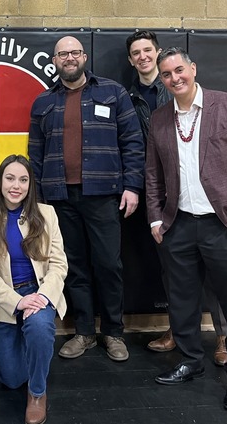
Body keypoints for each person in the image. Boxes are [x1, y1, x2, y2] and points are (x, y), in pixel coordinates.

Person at [146, 46, 227, 411]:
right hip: (177, 223)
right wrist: (154, 217)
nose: (174, 79)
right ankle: (189, 361)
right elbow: (152, 173)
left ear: (193, 68)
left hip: (224, 222)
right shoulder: (159, 118)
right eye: (166, 75)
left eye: (179, 70)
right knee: (181, 300)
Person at [28, 36, 144, 362]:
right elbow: (34, 155)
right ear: (55, 60)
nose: (69, 58)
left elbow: (133, 143)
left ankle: (114, 333)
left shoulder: (112, 92)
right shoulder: (43, 102)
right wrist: (35, 199)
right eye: (63, 54)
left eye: (74, 52)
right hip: (59, 198)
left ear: (84, 56)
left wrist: (132, 186)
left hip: (104, 195)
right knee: (74, 268)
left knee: (108, 265)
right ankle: (84, 333)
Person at [125, 30, 227, 365]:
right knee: (175, 273)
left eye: (148, 50)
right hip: (161, 195)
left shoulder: (178, 91)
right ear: (130, 60)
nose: (143, 56)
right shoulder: (127, 96)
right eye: (136, 52)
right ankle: (179, 330)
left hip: (202, 198)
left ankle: (224, 337)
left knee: (214, 274)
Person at [0, 154, 68, 424]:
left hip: (38, 293)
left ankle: (37, 393)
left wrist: (42, 297)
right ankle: (33, 351)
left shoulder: (46, 214)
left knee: (38, 328)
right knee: (12, 380)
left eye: (23, 180)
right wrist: (18, 302)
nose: (16, 185)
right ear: (0, 182)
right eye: (10, 178)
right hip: (3, 301)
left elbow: (59, 265)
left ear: (30, 184)